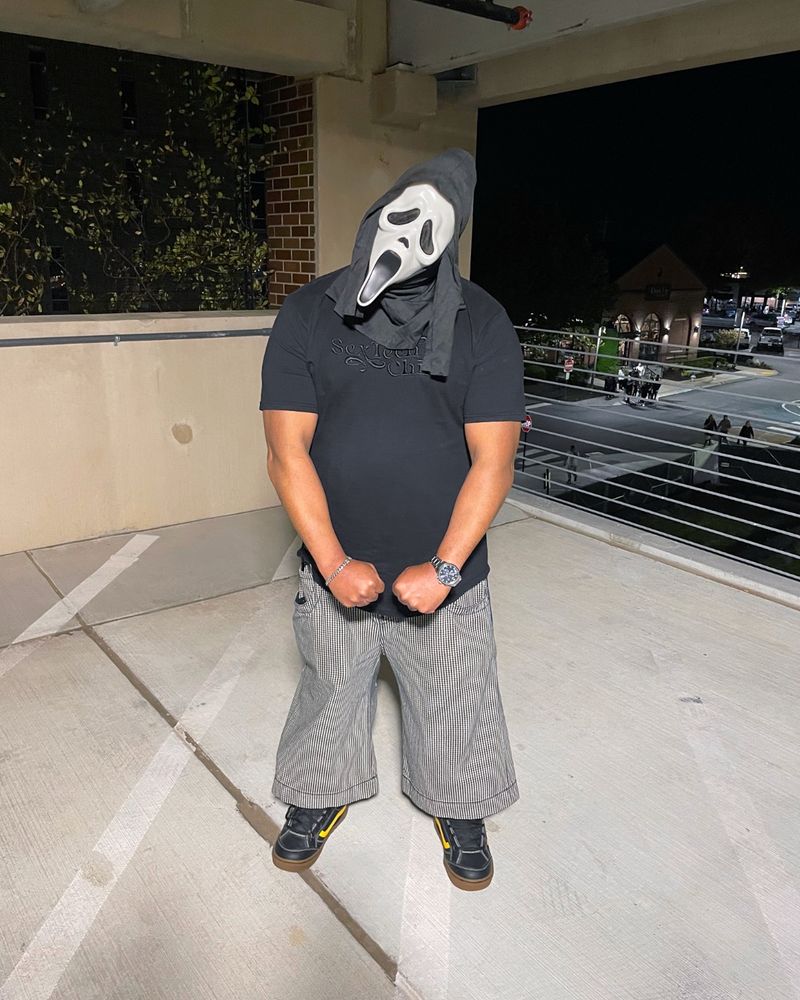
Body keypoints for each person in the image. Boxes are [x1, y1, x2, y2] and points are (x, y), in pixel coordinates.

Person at [259, 149, 522, 893]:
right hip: (335, 557)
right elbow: (286, 452)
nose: (407, 239)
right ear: (378, 213)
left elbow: (493, 463)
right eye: (401, 216)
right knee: (328, 693)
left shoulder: (482, 322)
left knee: (456, 700)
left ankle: (460, 806)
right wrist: (335, 562)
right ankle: (317, 796)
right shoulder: (309, 314)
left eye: (429, 229)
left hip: (447, 568)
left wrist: (443, 568)